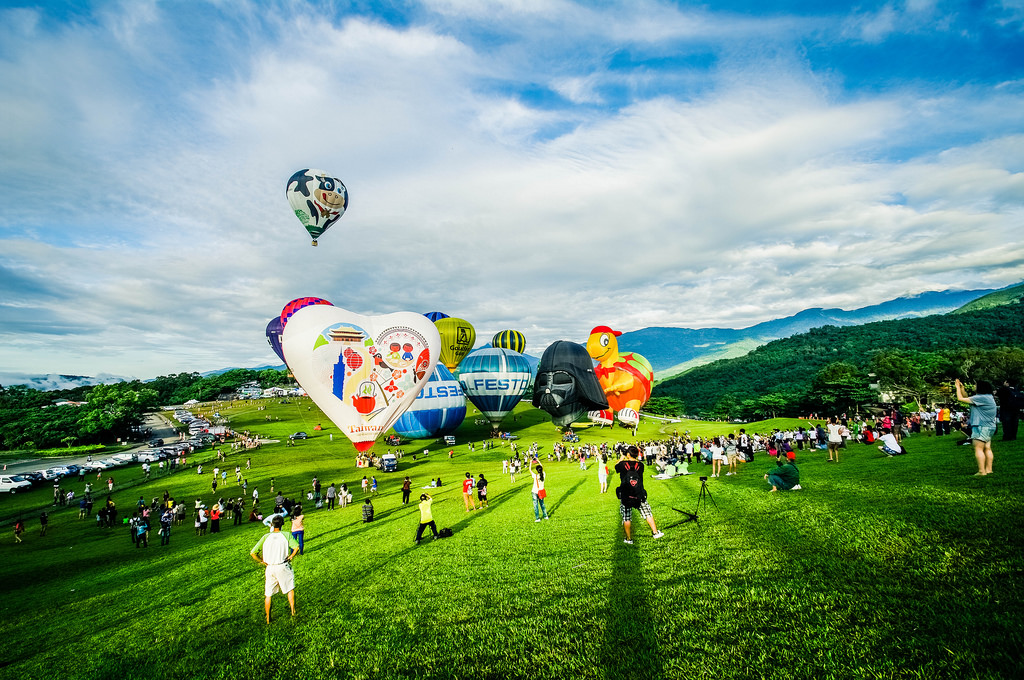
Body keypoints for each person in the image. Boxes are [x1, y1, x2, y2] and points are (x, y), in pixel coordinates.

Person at [249, 515, 300, 624]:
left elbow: (253, 553)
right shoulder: (286, 535)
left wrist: (261, 561)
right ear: (282, 524)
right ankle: (293, 611)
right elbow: (296, 547)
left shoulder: (266, 536)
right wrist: (291, 556)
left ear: (272, 524)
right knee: (289, 588)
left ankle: (268, 618)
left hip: (270, 567)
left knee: (268, 593)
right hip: (282, 565)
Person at [614, 446, 664, 544]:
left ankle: (628, 539)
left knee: (626, 517)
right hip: (639, 494)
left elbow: (616, 467)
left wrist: (622, 457)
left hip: (626, 494)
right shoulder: (641, 465)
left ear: (628, 454)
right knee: (647, 513)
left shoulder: (623, 464)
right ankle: (655, 532)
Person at [956, 378, 997, 476]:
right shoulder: (988, 397)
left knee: (978, 448)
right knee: (987, 448)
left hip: (980, 426)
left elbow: (960, 399)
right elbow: (967, 398)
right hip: (989, 427)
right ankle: (989, 469)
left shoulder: (981, 398)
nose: (974, 386)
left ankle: (981, 471)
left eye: (975, 385)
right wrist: (962, 389)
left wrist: (957, 388)